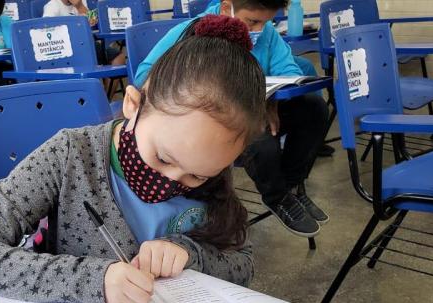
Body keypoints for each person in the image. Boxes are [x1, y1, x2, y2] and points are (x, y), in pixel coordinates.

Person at [0, 15, 262, 303]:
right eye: (162, 158)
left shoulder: (209, 164)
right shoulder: (71, 155)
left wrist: (191, 254)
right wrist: (93, 281)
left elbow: (244, 262)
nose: (172, 180)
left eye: (195, 177)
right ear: (133, 104)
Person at [136, 0, 330, 238]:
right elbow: (145, 75)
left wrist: (270, 101)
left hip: (258, 107)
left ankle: (290, 187)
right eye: (253, 22)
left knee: (314, 107)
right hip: (211, 122)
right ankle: (277, 197)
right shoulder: (194, 31)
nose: (260, 30)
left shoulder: (267, 34)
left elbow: (290, 71)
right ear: (227, 8)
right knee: (257, 136)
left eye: (267, 22)